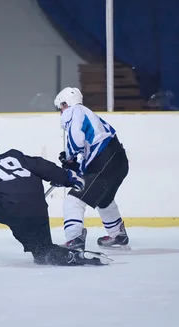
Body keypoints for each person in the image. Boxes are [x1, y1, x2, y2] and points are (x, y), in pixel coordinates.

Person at [0, 137, 111, 266]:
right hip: (38, 209)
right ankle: (74, 256)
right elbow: (43, 166)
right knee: (43, 253)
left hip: (11, 207)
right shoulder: (15, 156)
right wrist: (68, 178)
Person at [53, 87, 130, 250]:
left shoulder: (73, 111)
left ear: (65, 103)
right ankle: (118, 234)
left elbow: (76, 141)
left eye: (61, 107)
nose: (61, 113)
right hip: (117, 161)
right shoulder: (89, 114)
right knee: (103, 199)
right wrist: (74, 168)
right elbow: (90, 151)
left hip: (106, 161)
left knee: (73, 200)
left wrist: (69, 158)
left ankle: (74, 239)